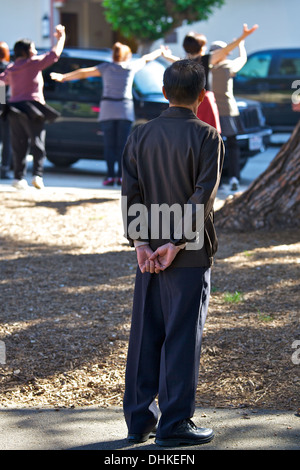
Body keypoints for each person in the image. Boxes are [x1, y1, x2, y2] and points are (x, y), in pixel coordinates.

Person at [121, 59, 224, 447]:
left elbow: (131, 193)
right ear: (201, 96)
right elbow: (204, 197)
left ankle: (137, 421)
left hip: (148, 255)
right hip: (190, 253)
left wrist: (143, 244)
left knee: (145, 333)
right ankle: (175, 423)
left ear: (164, 93)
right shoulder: (208, 137)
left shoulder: (139, 135)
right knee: (182, 335)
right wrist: (176, 242)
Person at [51, 43, 165, 186]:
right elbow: (147, 58)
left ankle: (110, 176)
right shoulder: (130, 67)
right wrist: (160, 51)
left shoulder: (105, 68)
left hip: (108, 109)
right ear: (127, 55)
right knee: (123, 146)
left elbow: (84, 72)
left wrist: (63, 77)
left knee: (109, 145)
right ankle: (122, 176)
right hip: (124, 109)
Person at [0, 25, 66, 190]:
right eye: (33, 48)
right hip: (32, 108)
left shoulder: (12, 68)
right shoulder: (33, 63)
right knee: (37, 142)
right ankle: (37, 175)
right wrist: (61, 37)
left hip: (14, 108)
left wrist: (1, 104)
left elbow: (1, 82)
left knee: (18, 144)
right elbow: (54, 54)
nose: (35, 51)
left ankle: (18, 178)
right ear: (27, 51)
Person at [210, 24, 258, 191]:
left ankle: (219, 181)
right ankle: (234, 178)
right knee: (232, 145)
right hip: (228, 110)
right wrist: (241, 47)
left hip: (212, 111)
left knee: (214, 148)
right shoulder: (228, 67)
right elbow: (243, 60)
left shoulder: (205, 68)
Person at [0, 41, 12, 179]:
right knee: (7, 140)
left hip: (3, 107)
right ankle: (4, 168)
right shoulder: (8, 68)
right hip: (6, 109)